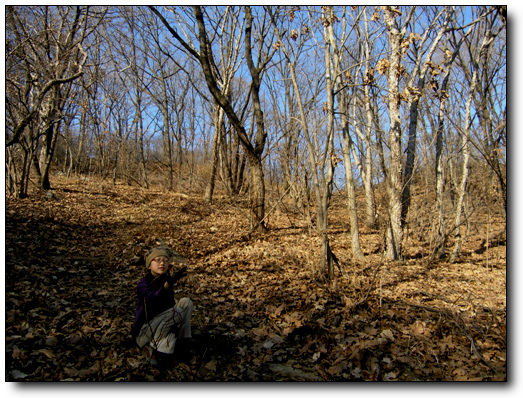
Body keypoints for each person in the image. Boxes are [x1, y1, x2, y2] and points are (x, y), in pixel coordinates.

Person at [132, 246, 193, 366]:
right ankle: (154, 348)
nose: (162, 263)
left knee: (186, 303)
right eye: (158, 260)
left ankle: (184, 342)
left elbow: (169, 305)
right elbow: (152, 301)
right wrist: (167, 285)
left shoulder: (165, 280)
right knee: (176, 313)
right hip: (146, 329)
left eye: (165, 261)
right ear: (149, 265)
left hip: (163, 324)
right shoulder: (143, 283)